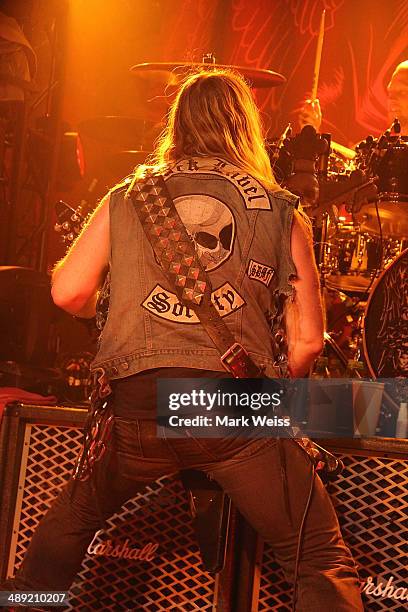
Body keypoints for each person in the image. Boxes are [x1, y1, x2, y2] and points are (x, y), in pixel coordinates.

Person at [7, 69, 363, 610]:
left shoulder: (129, 194)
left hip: (136, 404)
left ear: (176, 125)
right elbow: (309, 343)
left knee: (69, 529)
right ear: (245, 128)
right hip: (226, 410)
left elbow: (66, 293)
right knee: (317, 556)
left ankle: (29, 604)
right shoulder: (280, 207)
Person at [299, 59, 408, 134]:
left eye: (402, 92)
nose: (392, 100)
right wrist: (312, 131)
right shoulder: (374, 152)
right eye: (390, 93)